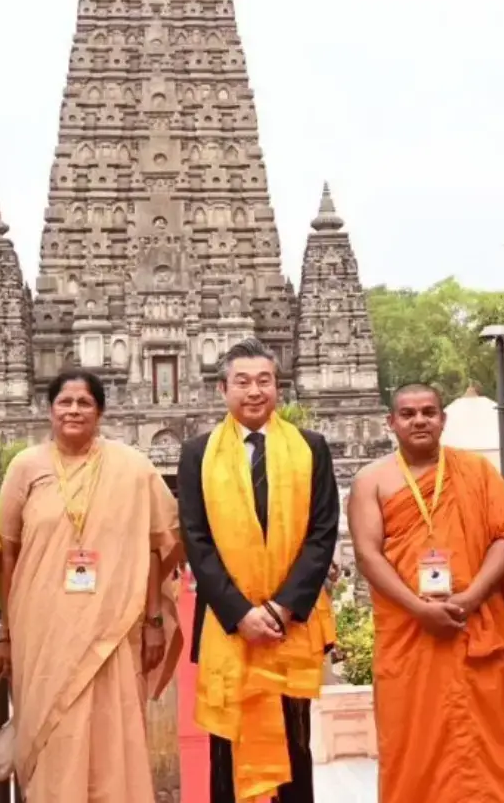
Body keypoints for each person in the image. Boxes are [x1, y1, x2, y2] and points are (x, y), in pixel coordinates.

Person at [0, 370, 183, 801]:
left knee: (113, 735)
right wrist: (6, 632)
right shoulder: (26, 467)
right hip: (43, 630)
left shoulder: (132, 467)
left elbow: (157, 545)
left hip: (116, 627)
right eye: (65, 402)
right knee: (52, 734)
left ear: (100, 411)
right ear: (50, 410)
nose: (74, 410)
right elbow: (7, 554)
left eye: (84, 403)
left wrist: (154, 619)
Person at [346, 382, 504, 803]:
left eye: (429, 412)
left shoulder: (477, 472)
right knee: (413, 744)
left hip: (473, 630)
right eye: (408, 414)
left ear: (443, 419)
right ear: (390, 423)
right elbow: (367, 555)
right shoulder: (371, 480)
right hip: (410, 638)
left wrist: (471, 597)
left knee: (484, 747)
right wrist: (418, 609)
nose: (419, 420)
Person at [177, 338, 338, 803]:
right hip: (230, 627)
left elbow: (322, 532)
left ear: (278, 388)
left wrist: (283, 607)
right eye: (242, 381)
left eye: (264, 381)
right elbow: (196, 539)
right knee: (227, 746)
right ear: (223, 389)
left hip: (290, 625)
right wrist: (240, 612)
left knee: (294, 745)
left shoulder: (311, 448)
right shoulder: (197, 453)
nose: (254, 391)